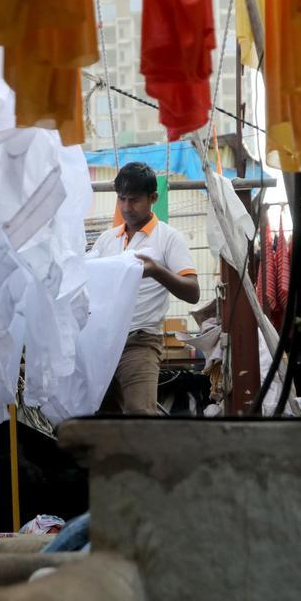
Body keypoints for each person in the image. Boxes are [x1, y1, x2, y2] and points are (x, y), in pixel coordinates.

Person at [88, 162, 199, 414]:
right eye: (122, 199)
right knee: (102, 415)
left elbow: (193, 292)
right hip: (103, 341)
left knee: (140, 412)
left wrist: (156, 270)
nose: (127, 207)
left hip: (140, 340)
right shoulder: (108, 239)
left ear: (153, 198)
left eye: (134, 200)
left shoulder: (168, 238)